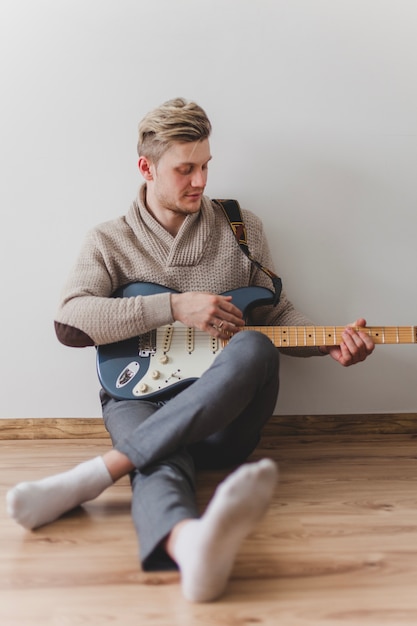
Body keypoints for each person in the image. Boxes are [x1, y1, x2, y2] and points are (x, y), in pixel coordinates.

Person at [6, 98, 375, 603]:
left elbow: (276, 316)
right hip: (138, 400)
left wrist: (332, 341)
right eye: (185, 169)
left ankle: (98, 474)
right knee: (158, 457)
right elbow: (70, 321)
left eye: (205, 166)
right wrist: (174, 306)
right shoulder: (108, 240)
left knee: (253, 347)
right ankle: (190, 544)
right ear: (146, 167)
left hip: (223, 421)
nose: (200, 181)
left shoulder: (241, 229)